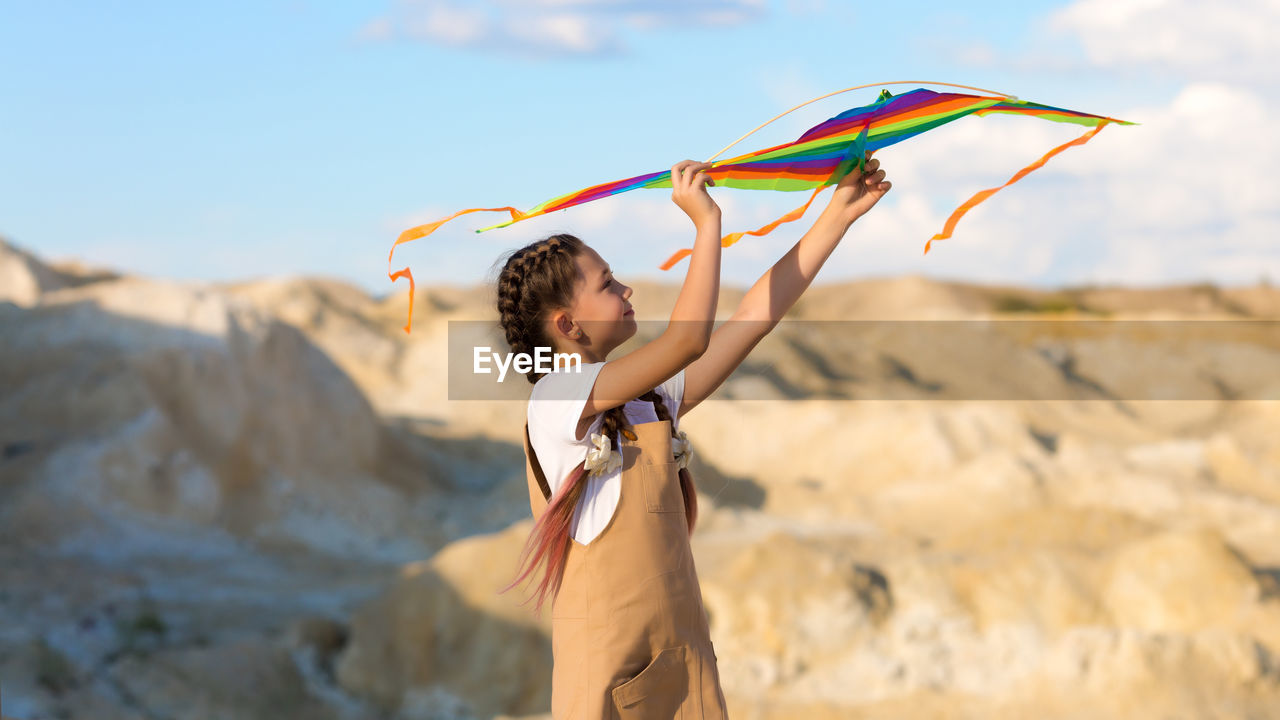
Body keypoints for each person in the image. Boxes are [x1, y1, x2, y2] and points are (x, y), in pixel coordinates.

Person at [495, 156, 891, 718]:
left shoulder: (648, 400)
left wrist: (837, 215)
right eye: (608, 285)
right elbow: (688, 342)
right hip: (612, 678)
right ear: (568, 325)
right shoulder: (555, 399)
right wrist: (707, 225)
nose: (626, 289)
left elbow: (755, 314)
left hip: (681, 666)